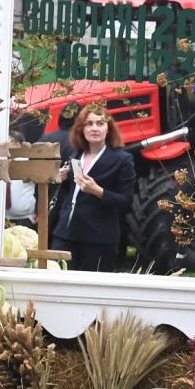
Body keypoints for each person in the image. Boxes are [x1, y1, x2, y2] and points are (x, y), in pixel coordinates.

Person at [51, 105, 136, 271]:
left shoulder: (122, 159)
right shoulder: (75, 154)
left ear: (108, 128)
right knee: (58, 285)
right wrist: (58, 178)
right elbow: (70, 193)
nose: (94, 128)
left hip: (98, 238)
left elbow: (126, 202)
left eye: (100, 124)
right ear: (81, 129)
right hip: (64, 234)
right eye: (89, 124)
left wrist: (98, 191)